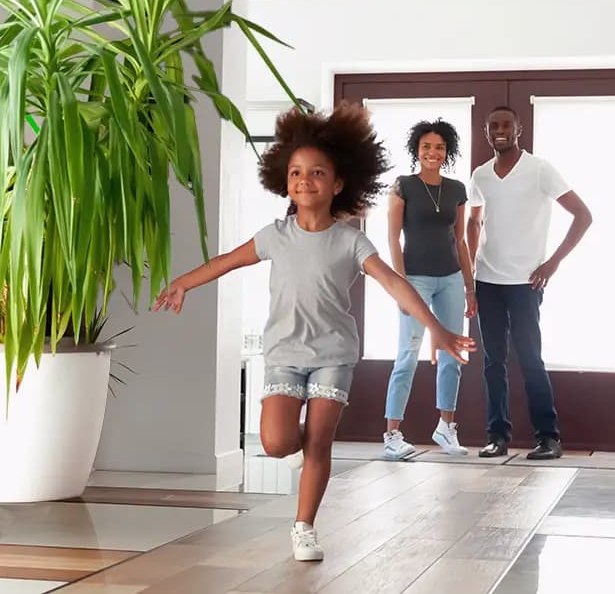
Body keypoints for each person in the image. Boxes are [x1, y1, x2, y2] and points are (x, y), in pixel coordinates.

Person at [155, 104, 475, 562]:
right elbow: (227, 261)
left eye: (317, 173)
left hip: (334, 354)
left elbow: (393, 283)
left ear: (338, 184)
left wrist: (437, 329)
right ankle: (301, 436)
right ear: (284, 181)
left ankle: (304, 526)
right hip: (284, 354)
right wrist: (184, 282)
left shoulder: (350, 240)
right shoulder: (274, 235)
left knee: (320, 443)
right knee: (277, 443)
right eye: (296, 173)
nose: (305, 180)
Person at [467, 106, 592, 460]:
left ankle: (548, 438)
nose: (500, 130)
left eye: (506, 125)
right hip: (487, 281)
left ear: (518, 129)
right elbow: (473, 223)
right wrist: (470, 273)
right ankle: (497, 436)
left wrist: (553, 263)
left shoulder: (539, 169)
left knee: (530, 359)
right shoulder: (480, 175)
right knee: (492, 363)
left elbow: (583, 215)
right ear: (486, 132)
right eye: (493, 125)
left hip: (526, 283)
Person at [383, 119, 477, 459]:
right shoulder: (403, 186)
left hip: (450, 278)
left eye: (439, 147)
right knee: (408, 354)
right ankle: (392, 434)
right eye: (426, 147)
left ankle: (445, 428)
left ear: (447, 151)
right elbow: (393, 238)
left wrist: (469, 288)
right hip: (415, 281)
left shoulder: (457, 189)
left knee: (453, 354)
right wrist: (400, 285)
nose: (432, 153)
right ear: (417, 150)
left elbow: (461, 241)